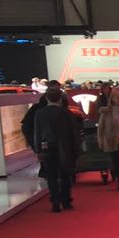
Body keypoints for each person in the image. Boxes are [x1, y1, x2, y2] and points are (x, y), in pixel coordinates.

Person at [32, 84, 81, 213]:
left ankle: (55, 200)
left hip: (47, 147)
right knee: (65, 174)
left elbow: (37, 133)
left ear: (46, 98)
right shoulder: (66, 112)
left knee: (51, 175)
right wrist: (77, 148)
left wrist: (38, 150)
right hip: (65, 148)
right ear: (60, 99)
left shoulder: (39, 113)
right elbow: (74, 132)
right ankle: (66, 201)